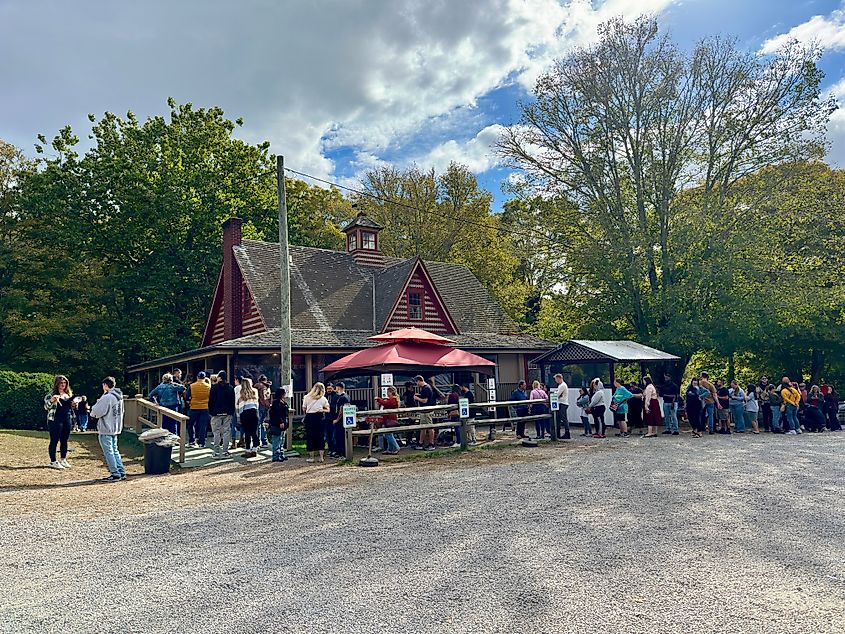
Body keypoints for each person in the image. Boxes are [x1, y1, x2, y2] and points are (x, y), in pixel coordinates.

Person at [90, 376, 125, 482]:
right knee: (115, 450)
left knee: (109, 451)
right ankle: (120, 471)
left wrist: (92, 411)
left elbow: (98, 411)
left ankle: (115, 473)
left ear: (105, 385)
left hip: (106, 427)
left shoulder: (107, 397)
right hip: (115, 426)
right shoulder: (119, 397)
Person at [44, 375, 74, 469]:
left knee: (64, 440)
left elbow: (70, 408)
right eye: (61, 383)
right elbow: (46, 407)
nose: (63, 385)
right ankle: (53, 461)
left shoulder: (68, 394)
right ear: (57, 383)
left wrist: (74, 404)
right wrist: (52, 401)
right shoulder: (51, 394)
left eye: (65, 383)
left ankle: (63, 459)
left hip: (67, 418)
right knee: (54, 440)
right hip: (55, 419)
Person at [208, 371, 235, 458]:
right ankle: (225, 451)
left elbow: (211, 401)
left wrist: (211, 412)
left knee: (216, 432)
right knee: (227, 431)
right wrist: (231, 411)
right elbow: (232, 401)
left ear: (219, 378)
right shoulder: (231, 388)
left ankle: (216, 452)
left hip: (216, 412)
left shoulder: (214, 388)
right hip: (227, 412)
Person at [302, 382, 330, 462]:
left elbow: (304, 408)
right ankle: (321, 457)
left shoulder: (307, 397)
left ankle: (311, 457)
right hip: (320, 417)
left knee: (310, 437)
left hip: (310, 418)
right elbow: (328, 410)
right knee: (320, 436)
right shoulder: (323, 398)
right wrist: (322, 409)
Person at [186, 372, 211, 448]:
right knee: (203, 426)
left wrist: (190, 403)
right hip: (205, 408)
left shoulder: (192, 386)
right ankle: (201, 443)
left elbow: (187, 397)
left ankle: (192, 441)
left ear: (197, 377)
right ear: (204, 378)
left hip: (194, 408)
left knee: (190, 424)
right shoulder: (208, 387)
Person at [237, 377, 260, 458]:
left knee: (247, 432)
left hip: (245, 413)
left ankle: (247, 450)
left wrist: (238, 416)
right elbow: (257, 403)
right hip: (254, 412)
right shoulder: (255, 391)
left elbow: (240, 406)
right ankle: (255, 448)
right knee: (254, 432)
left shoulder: (241, 393)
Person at [376, 386, 401, 454]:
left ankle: (396, 447)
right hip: (390, 418)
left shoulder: (393, 399)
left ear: (391, 392)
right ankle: (390, 449)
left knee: (388, 434)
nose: (387, 393)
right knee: (389, 434)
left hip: (390, 419)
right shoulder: (394, 399)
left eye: (388, 392)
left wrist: (379, 399)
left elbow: (386, 404)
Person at [413, 375, 436, 450]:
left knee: (429, 427)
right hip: (424, 411)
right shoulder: (425, 388)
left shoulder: (426, 388)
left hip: (427, 411)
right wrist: (419, 395)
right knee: (423, 427)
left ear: (419, 381)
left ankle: (431, 444)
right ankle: (420, 442)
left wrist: (417, 398)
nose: (416, 384)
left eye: (416, 382)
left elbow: (425, 400)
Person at [267, 388, 289, 462]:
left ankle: (281, 454)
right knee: (277, 439)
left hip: (283, 423)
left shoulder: (282, 401)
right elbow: (277, 413)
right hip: (277, 424)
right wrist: (281, 421)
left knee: (281, 439)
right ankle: (276, 455)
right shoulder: (276, 402)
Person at [332, 382, 350, 458]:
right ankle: (339, 452)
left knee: (340, 436)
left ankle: (341, 453)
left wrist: (337, 419)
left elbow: (341, 410)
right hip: (344, 420)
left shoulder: (343, 398)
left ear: (339, 388)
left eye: (336, 388)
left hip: (341, 420)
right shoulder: (347, 396)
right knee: (339, 436)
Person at [553, 373, 571, 439]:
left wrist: (555, 393)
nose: (555, 381)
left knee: (563, 418)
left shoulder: (562, 385)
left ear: (559, 378)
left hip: (562, 403)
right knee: (559, 418)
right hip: (561, 403)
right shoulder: (561, 385)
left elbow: (557, 394)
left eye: (556, 379)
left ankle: (567, 432)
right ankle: (559, 432)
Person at [256, 375, 272, 449]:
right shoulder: (268, 386)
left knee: (258, 424)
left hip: (260, 405)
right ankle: (265, 441)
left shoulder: (258, 386)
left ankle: (257, 442)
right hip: (266, 406)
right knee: (262, 423)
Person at [325, 383, 339, 457]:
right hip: (327, 418)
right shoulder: (325, 396)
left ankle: (335, 450)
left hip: (334, 417)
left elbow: (335, 406)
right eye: (328, 389)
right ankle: (330, 449)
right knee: (328, 435)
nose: (329, 390)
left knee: (334, 435)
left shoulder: (336, 396)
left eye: (330, 389)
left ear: (333, 388)